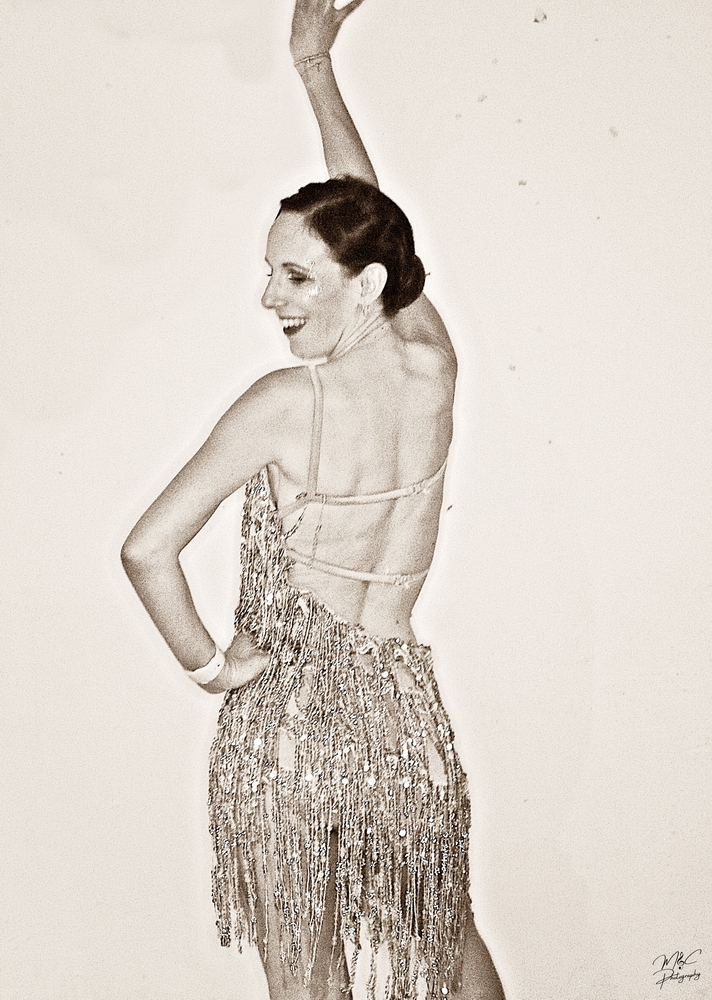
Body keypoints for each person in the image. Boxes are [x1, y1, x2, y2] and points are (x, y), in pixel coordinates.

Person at [121, 1, 506, 997]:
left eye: (295, 276)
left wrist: (211, 665)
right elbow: (374, 224)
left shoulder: (285, 403)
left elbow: (147, 549)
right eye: (270, 273)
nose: (271, 298)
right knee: (448, 949)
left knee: (306, 982)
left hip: (289, 723)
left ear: (362, 284)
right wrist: (314, 67)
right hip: (400, 720)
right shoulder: (433, 369)